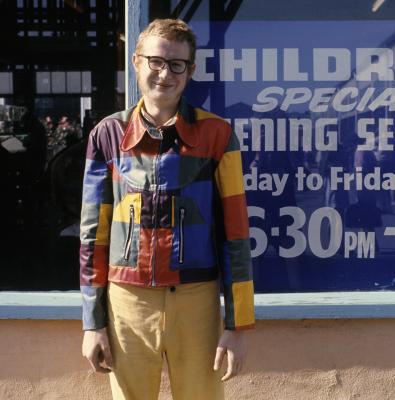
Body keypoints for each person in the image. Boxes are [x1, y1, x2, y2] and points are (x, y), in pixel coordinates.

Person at [80, 18, 255, 399]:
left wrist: (237, 326)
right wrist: (92, 324)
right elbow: (94, 235)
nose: (165, 73)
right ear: (137, 62)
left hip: (197, 301)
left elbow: (236, 235)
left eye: (177, 64)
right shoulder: (108, 135)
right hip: (127, 303)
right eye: (156, 61)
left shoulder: (217, 135)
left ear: (190, 71)